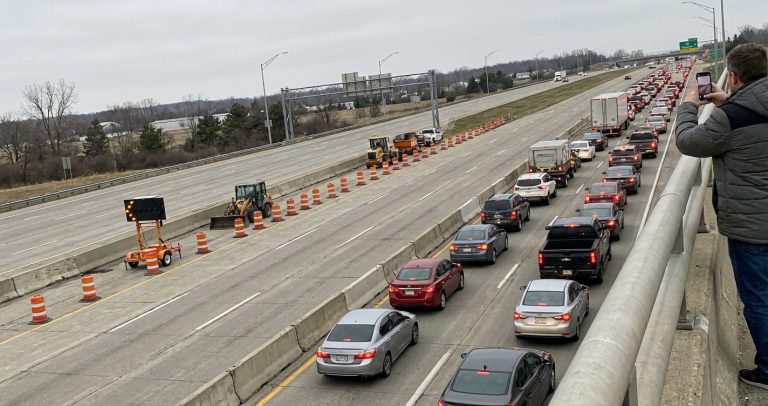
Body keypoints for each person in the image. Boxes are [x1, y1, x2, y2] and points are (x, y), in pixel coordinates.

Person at [676, 43, 768, 390]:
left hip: (751, 227)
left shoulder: (730, 119)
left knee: (759, 299)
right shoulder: (741, 109)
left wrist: (689, 106)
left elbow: (689, 141)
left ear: (733, 76)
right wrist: (728, 103)